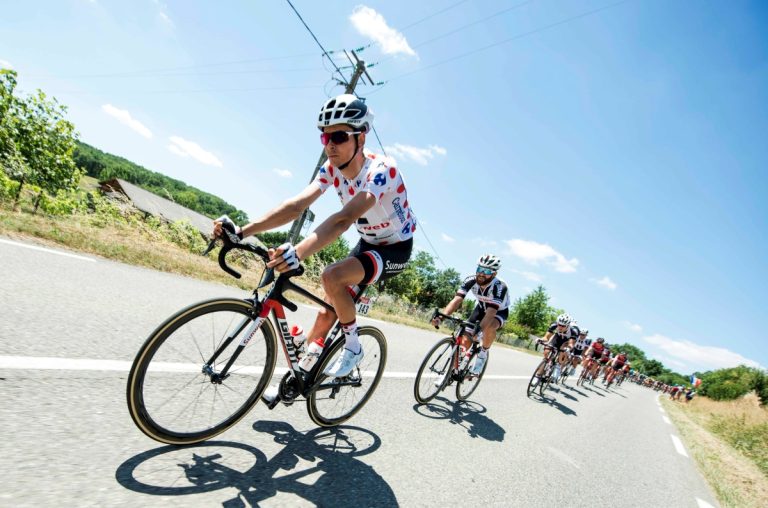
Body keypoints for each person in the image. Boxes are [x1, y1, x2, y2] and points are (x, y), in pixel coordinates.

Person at [213, 94, 415, 393]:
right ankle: (300, 375)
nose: (330, 144)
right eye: (324, 136)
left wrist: (298, 252)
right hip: (367, 242)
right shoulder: (331, 169)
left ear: (361, 137)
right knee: (327, 311)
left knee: (331, 275)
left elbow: (344, 218)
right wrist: (242, 231)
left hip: (395, 248)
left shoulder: (382, 170)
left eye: (339, 136)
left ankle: (354, 347)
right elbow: (296, 206)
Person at [431, 254, 510, 375]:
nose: (481, 274)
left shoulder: (499, 287)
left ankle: (483, 353)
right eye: (479, 269)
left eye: (487, 271)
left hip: (497, 312)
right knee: (464, 340)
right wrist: (441, 317)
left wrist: (479, 330)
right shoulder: (470, 280)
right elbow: (456, 300)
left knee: (488, 327)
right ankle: (452, 372)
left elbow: (491, 312)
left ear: (494, 274)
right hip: (480, 308)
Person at [536, 313, 579, 381]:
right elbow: (546, 337)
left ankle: (558, 366)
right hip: (557, 337)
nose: (560, 327)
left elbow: (571, 343)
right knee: (547, 351)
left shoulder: (574, 331)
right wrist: (540, 339)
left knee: (563, 348)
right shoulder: (554, 325)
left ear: (568, 325)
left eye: (563, 326)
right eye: (559, 324)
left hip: (567, 341)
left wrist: (568, 348)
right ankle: (538, 375)